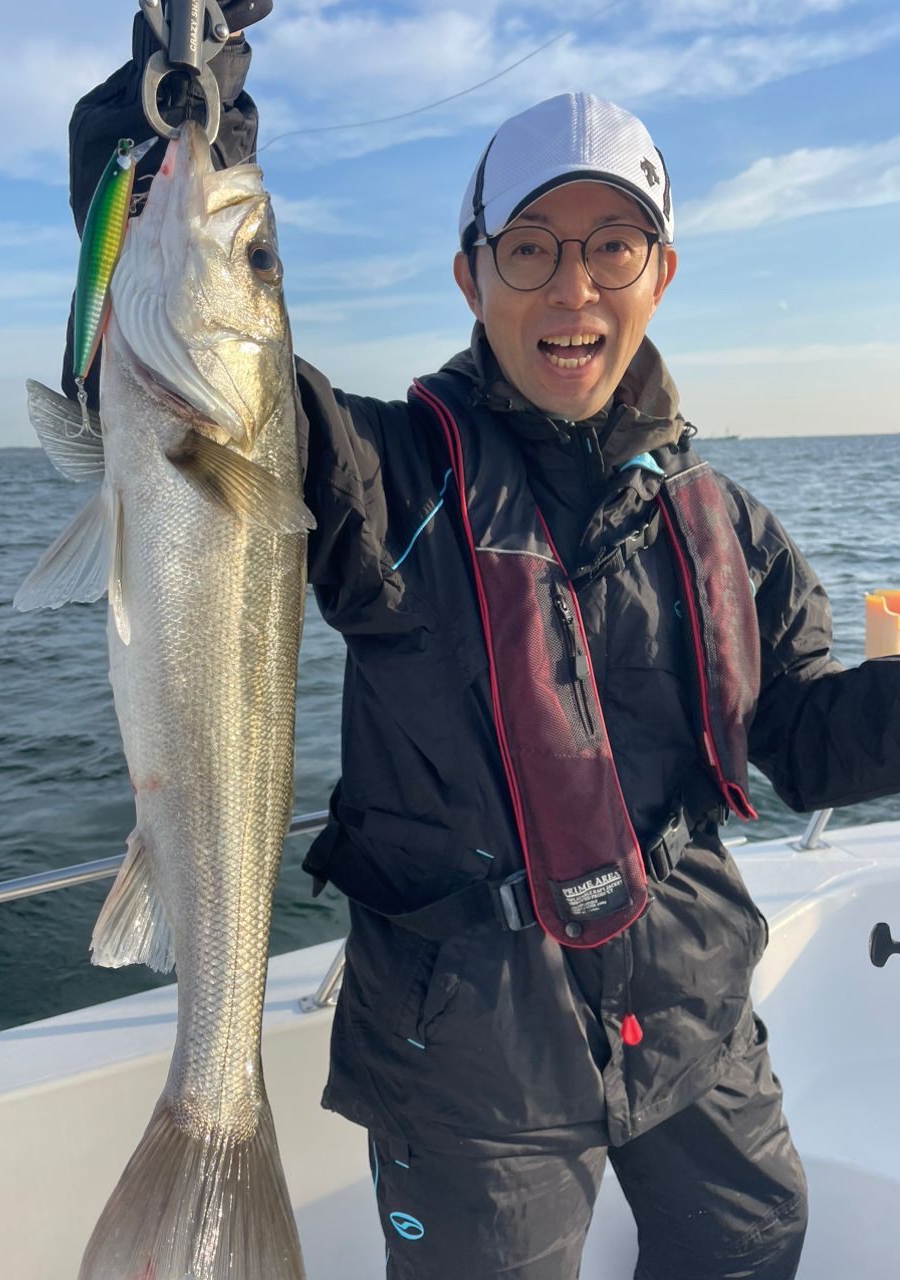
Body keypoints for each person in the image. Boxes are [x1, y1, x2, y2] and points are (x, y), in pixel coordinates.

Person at [66, 12, 900, 1280]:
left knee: (753, 1239)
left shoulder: (729, 525)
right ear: (471, 276)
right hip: (467, 1063)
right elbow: (214, 377)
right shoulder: (388, 477)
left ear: (661, 273)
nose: (573, 288)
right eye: (531, 248)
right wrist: (188, 116)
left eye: (613, 246)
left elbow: (805, 739)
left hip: (694, 1012)